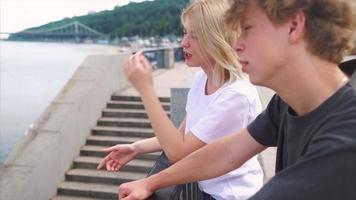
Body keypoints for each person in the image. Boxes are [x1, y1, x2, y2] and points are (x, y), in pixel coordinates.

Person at [117, 0, 356, 200]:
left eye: (247, 29)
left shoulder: (345, 142)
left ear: (293, 26)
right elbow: (229, 152)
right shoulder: (287, 102)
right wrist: (152, 183)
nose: (236, 45)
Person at [97, 0, 264, 199]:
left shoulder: (236, 96)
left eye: (195, 36)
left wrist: (146, 90)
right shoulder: (202, 79)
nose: (184, 43)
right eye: (185, 32)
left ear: (217, 39)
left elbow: (179, 152)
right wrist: (135, 148)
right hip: (209, 191)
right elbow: (182, 135)